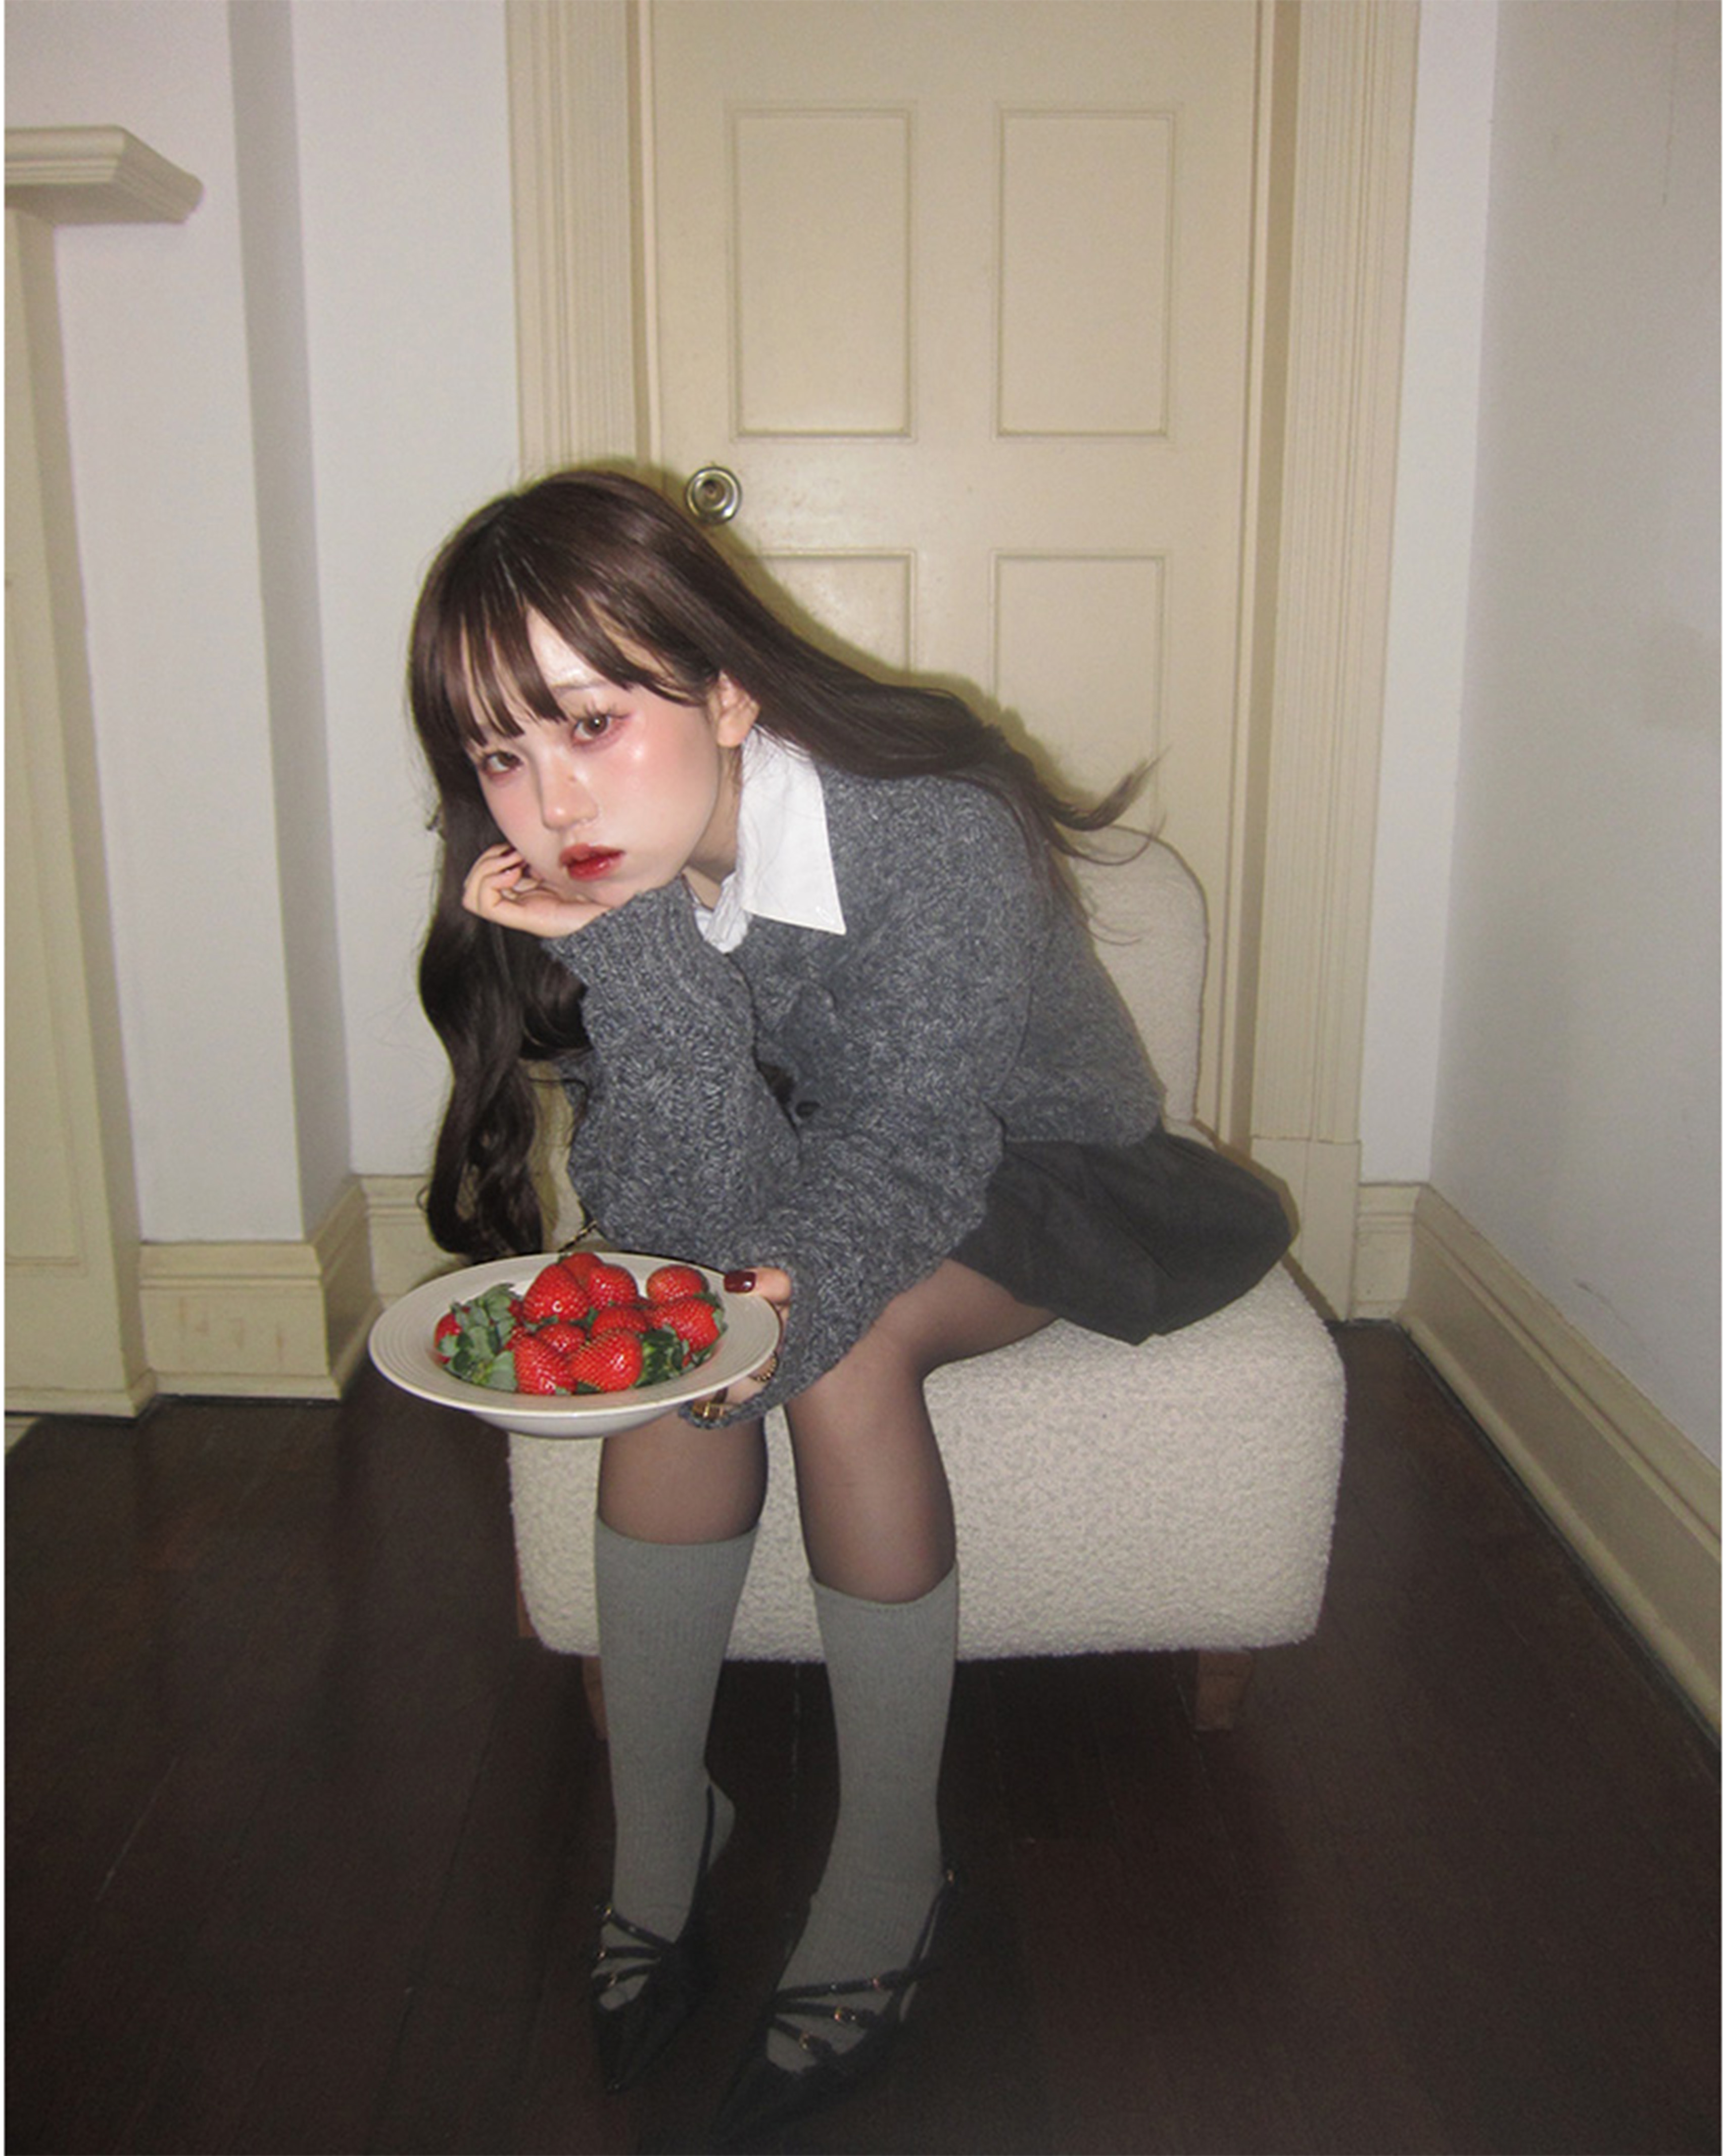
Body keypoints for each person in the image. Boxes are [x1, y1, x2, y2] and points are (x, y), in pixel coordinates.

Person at [407, 466, 1289, 2144]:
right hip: (838, 1153)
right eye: (500, 752)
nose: (547, 795)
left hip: (1041, 1162)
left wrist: (761, 1324)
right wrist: (639, 956)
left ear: (728, 690)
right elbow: (672, 1209)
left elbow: (913, 1150)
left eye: (590, 720)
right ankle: (662, 1834)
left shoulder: (932, 827)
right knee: (685, 1317)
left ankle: (891, 1866)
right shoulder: (595, 874)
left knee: (841, 1341)